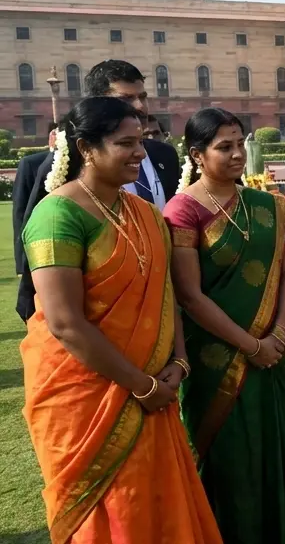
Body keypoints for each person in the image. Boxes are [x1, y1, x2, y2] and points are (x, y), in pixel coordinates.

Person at [21, 97, 221, 543]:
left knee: (156, 503)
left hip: (153, 386)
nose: (139, 153)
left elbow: (166, 296)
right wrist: (141, 386)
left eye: (141, 141)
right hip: (86, 397)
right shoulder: (56, 216)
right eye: (125, 143)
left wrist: (179, 362)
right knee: (112, 512)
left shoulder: (145, 212)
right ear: (86, 148)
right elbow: (65, 323)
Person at [164, 108, 285, 544]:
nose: (236, 154)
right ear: (196, 154)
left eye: (239, 144)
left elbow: (284, 271)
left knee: (273, 445)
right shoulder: (182, 211)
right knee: (230, 456)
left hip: (272, 352)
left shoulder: (265, 205)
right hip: (217, 358)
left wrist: (279, 333)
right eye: (223, 147)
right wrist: (251, 345)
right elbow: (190, 296)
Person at [13, 60, 181, 322]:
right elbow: (34, 243)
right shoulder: (59, 165)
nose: (139, 106)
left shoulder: (163, 155)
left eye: (142, 96)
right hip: (89, 311)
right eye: (126, 98)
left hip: (158, 299)